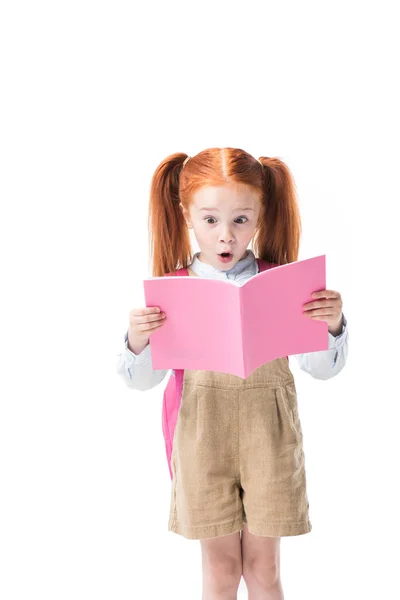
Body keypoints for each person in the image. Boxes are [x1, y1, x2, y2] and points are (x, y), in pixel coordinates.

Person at [116, 148, 349, 599]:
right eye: (210, 220)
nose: (226, 236)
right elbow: (141, 381)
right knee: (221, 571)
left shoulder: (281, 282)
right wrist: (137, 338)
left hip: (270, 435)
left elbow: (320, 369)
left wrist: (332, 324)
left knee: (264, 570)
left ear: (260, 217)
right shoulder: (171, 290)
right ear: (186, 215)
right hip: (204, 437)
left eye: (241, 220)